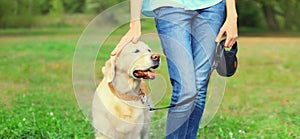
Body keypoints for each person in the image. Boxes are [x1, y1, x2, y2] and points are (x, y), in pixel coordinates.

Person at [111, 0, 238, 138]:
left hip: (212, 7)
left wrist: (232, 15)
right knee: (186, 90)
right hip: (170, 6)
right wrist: (134, 21)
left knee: (200, 90)